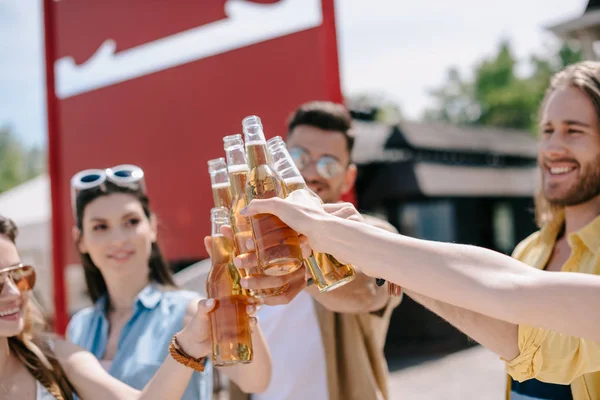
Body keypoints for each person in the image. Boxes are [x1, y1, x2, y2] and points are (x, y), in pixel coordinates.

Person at [241, 61, 600, 400]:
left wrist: (354, 245)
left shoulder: (370, 229)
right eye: (548, 131)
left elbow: (366, 291)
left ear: (349, 176)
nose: (553, 146)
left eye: (574, 130)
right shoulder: (530, 250)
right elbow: (518, 343)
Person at [228, 102, 401, 400]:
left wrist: (303, 269)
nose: (311, 172)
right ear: (274, 161)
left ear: (347, 178)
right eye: (298, 157)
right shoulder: (247, 240)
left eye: (329, 164)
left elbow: (368, 292)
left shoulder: (373, 235)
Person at [66, 165, 271, 399]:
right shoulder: (79, 328)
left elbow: (256, 380)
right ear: (80, 240)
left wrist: (238, 300)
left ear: (152, 227)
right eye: (100, 227)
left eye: (131, 222)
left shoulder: (190, 313)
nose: (118, 239)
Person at [0, 213, 236, 400]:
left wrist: (189, 346)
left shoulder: (53, 358)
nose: (13, 292)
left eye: (18, 275)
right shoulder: (81, 325)